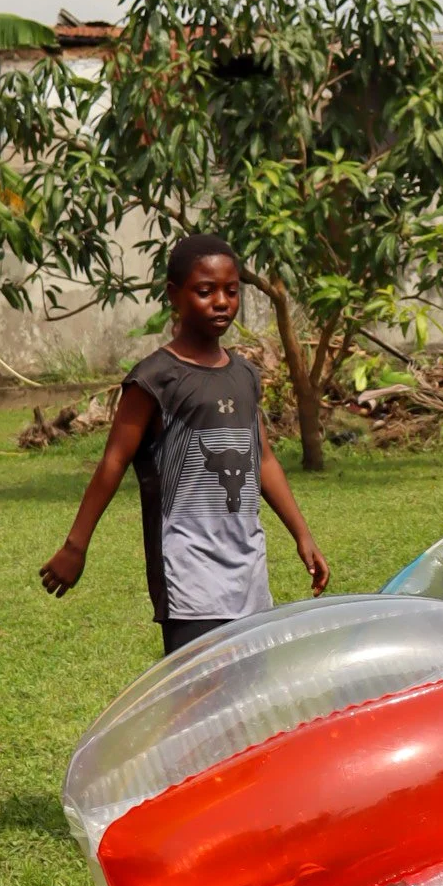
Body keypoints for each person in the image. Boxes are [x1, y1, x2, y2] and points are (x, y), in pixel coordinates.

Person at [39, 233, 328, 654]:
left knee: (249, 700)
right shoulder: (155, 379)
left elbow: (262, 459)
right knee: (200, 704)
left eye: (231, 291)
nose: (222, 302)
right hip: (189, 578)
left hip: (248, 571)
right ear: (174, 295)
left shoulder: (245, 375)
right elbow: (113, 463)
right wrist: (74, 547)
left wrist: (302, 535)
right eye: (205, 291)